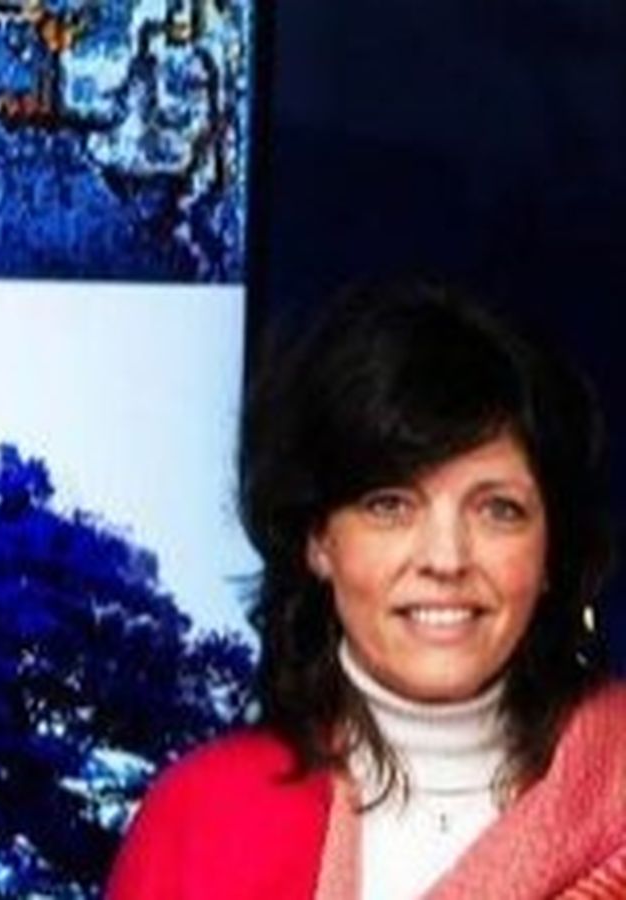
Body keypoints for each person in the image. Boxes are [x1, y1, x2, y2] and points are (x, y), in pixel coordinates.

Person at [107, 280, 626, 899]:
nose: (446, 559)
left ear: (551, 551)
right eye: (390, 505)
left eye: (498, 510)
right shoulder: (203, 821)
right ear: (319, 539)